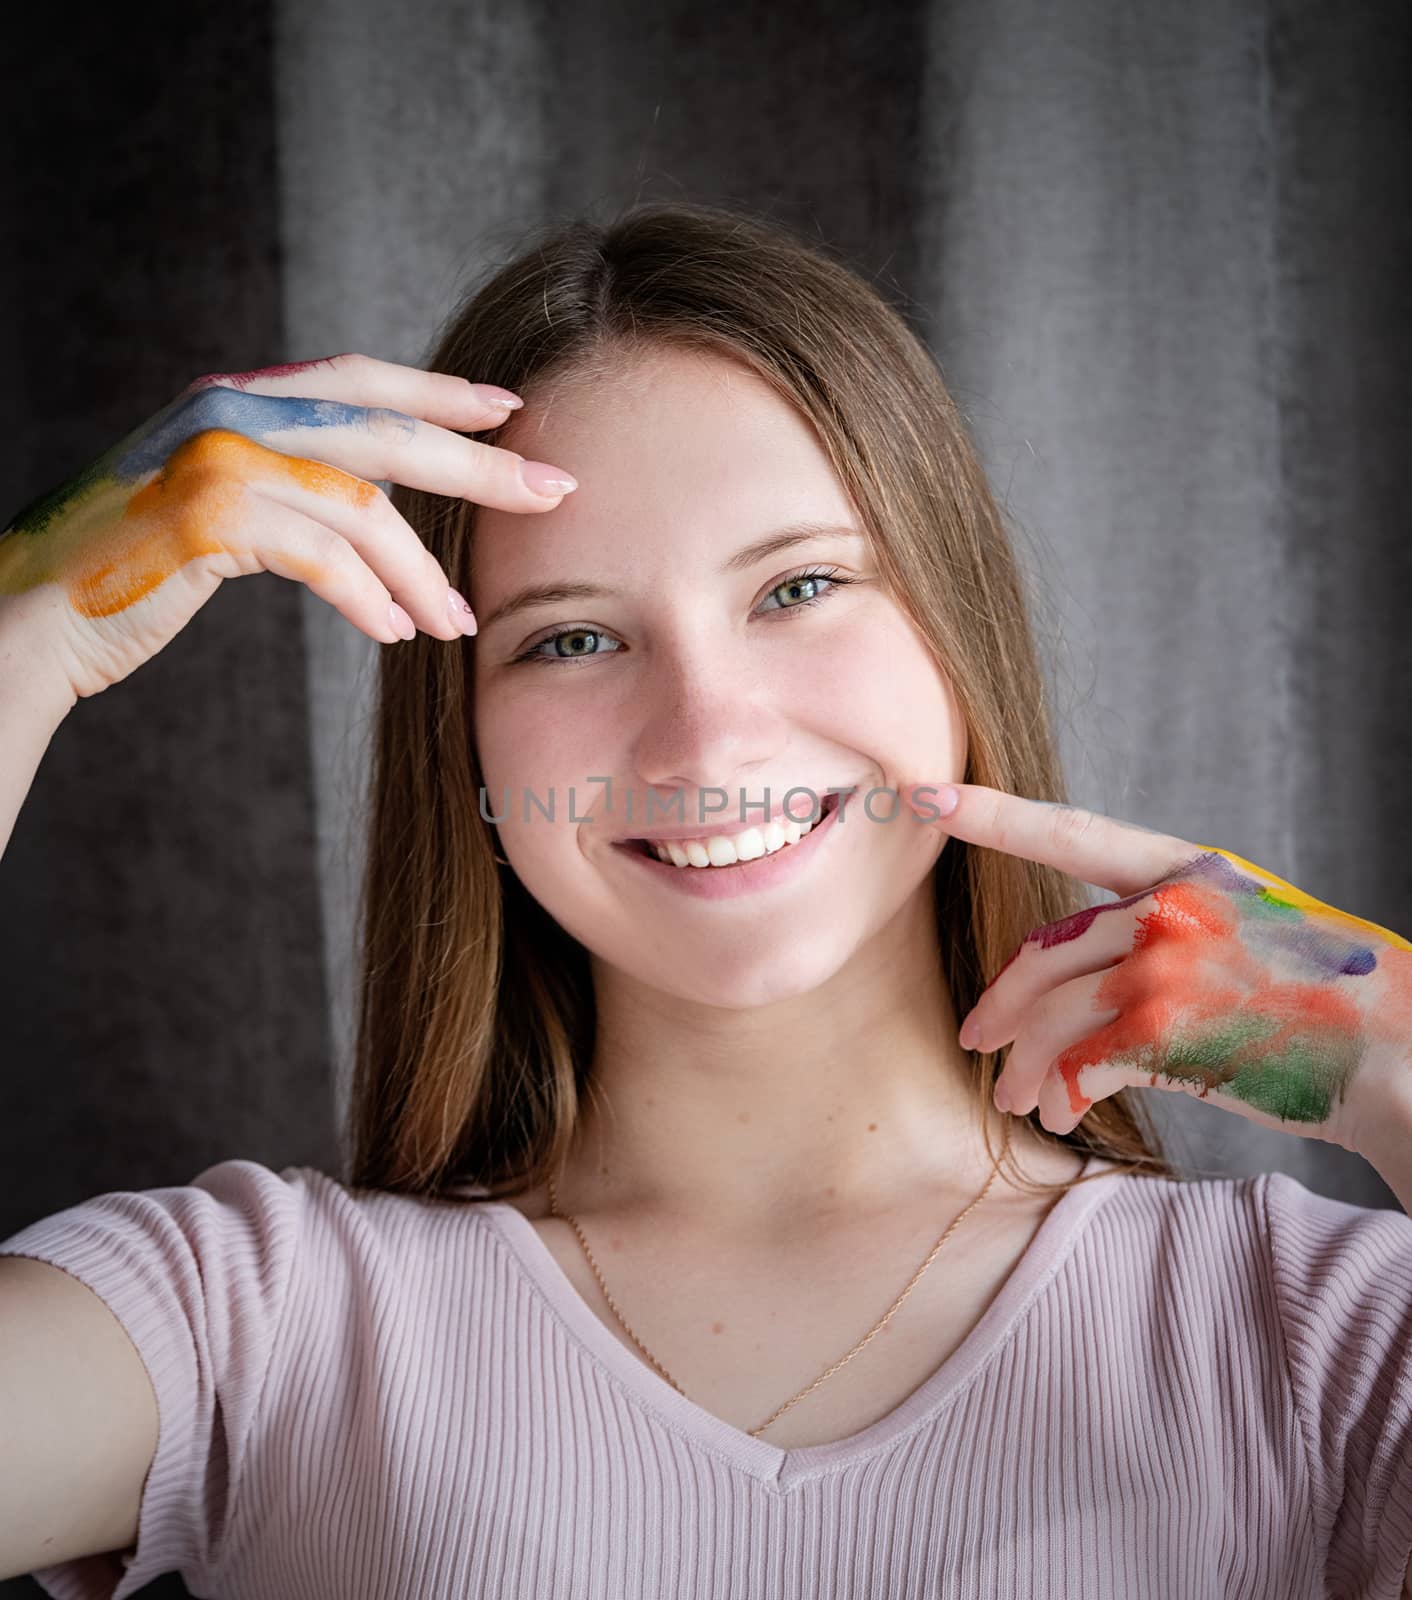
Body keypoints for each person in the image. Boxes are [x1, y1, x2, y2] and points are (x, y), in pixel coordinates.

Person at [1, 200, 1410, 1600]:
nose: (705, 734)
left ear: (958, 631)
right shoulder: (251, 1327)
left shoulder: (1319, 1338)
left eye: (798, 586)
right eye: (572, 636)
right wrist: (28, 625)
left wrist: (1399, 1058)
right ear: (466, 745)